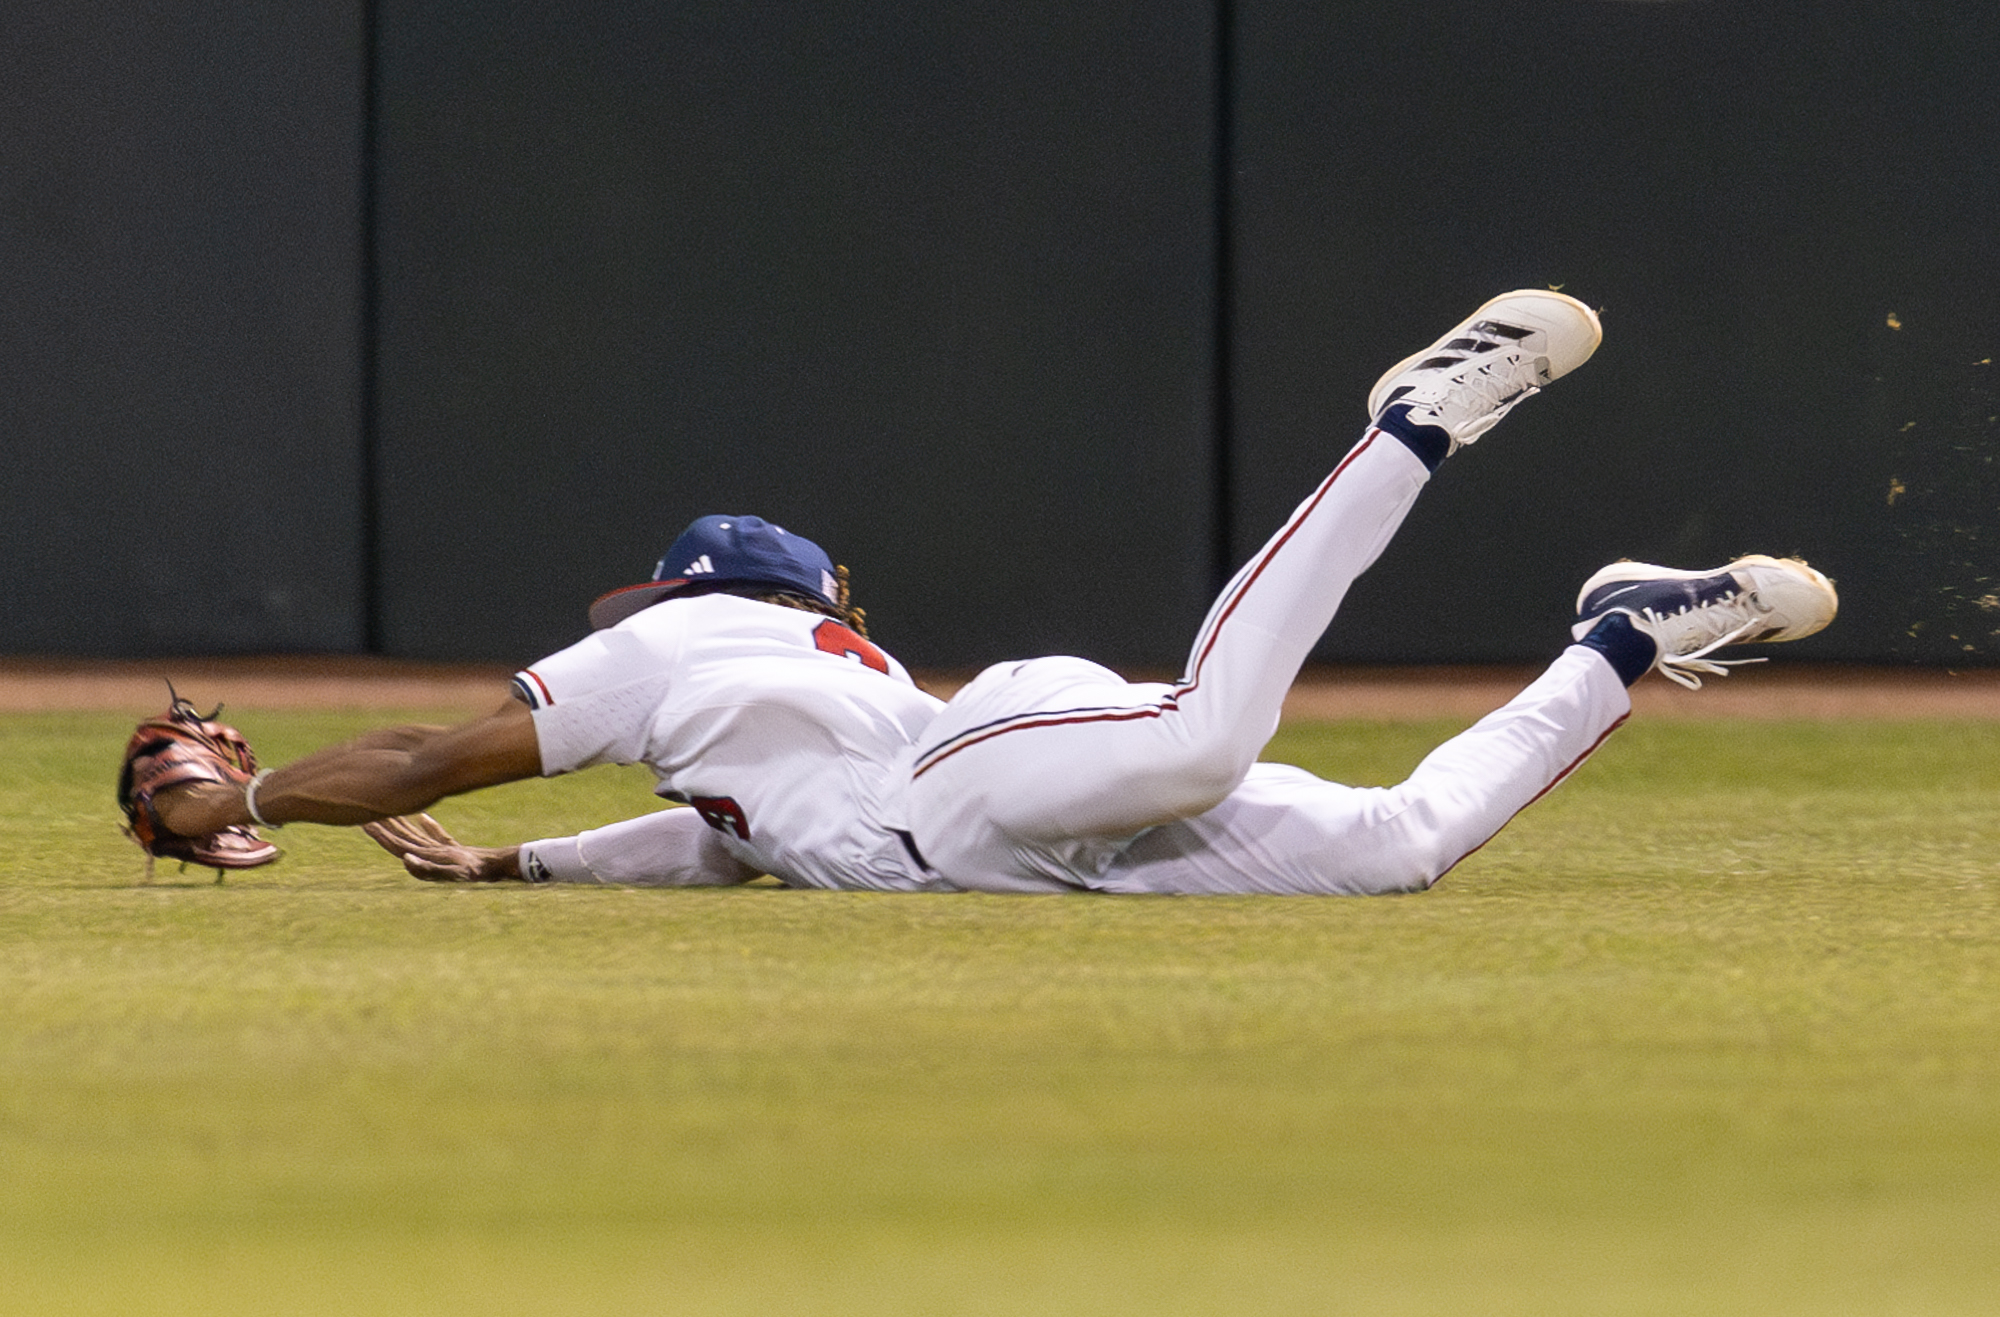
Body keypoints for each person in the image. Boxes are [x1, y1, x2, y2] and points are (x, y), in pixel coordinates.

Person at [144, 290, 1837, 895]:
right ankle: (1624, 634)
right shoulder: (753, 708)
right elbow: (724, 833)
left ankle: (1408, 425)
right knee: (1398, 844)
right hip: (1001, 826)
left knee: (1194, 736)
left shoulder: (676, 638)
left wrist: (248, 786)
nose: (617, 616)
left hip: (971, 782)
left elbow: (431, 751)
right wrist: (523, 868)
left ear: (686, 589)